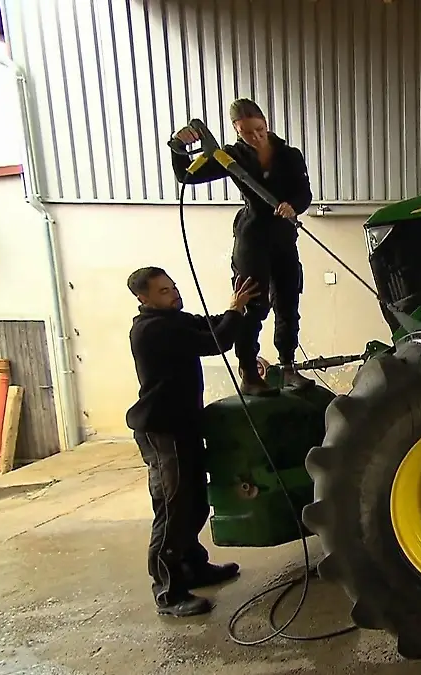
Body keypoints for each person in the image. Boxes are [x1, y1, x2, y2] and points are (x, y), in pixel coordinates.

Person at [125, 266, 260, 617]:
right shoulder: (152, 331)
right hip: (161, 431)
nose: (173, 293)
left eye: (173, 287)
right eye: (163, 291)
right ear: (144, 298)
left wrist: (237, 308)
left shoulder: (174, 320)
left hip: (183, 426)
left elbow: (210, 323)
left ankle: (193, 567)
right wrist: (234, 312)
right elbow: (214, 342)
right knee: (173, 509)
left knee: (195, 503)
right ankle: (168, 592)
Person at [169, 97, 315, 396]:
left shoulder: (289, 155)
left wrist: (294, 207)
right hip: (252, 239)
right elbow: (187, 175)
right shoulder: (230, 157)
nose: (256, 137)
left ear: (266, 124)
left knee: (287, 302)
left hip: (284, 236)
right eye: (248, 132)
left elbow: (304, 191)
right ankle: (250, 373)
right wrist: (178, 147)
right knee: (253, 305)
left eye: (260, 129)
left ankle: (288, 366)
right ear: (237, 130)